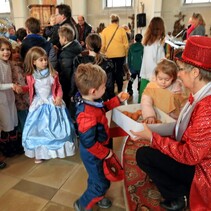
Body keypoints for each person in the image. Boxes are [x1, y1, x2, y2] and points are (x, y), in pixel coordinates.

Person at [130, 36, 211, 211]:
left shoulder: (207, 107)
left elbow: (190, 155)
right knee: (150, 152)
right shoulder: (200, 93)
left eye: (181, 69)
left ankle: (181, 194)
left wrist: (152, 137)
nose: (179, 74)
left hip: (202, 171)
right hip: (197, 158)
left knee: (144, 155)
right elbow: (181, 127)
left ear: (195, 72)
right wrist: (154, 130)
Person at [73, 63, 128, 211]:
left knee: (97, 176)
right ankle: (83, 204)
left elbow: (103, 107)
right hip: (94, 153)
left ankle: (99, 196)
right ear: (93, 90)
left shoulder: (91, 100)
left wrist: (117, 100)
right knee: (101, 182)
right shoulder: (86, 114)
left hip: (100, 147)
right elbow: (89, 143)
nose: (106, 88)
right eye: (104, 86)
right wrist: (106, 153)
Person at [21, 47, 77, 164]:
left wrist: (59, 97)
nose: (44, 62)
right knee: (38, 130)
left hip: (52, 102)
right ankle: (39, 153)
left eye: (45, 59)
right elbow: (30, 88)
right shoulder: (30, 76)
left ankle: (55, 151)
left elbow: (58, 87)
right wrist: (21, 88)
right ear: (33, 62)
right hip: (39, 104)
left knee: (55, 128)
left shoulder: (53, 74)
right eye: (41, 60)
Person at [141, 58, 187, 123]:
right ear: (156, 76)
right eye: (160, 79)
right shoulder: (152, 87)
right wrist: (149, 115)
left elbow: (183, 106)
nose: (163, 82)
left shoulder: (177, 89)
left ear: (173, 78)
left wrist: (181, 120)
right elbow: (145, 102)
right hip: (155, 118)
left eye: (167, 79)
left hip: (172, 121)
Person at [0, 37, 20, 158]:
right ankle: (6, 149)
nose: (6, 52)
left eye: (8, 49)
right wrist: (12, 85)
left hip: (9, 97)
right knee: (6, 124)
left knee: (12, 122)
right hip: (1, 99)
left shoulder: (7, 63)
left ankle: (13, 146)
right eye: (2, 50)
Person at [139, 17, 166, 102]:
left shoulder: (156, 43)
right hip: (150, 78)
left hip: (153, 76)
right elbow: (150, 63)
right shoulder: (152, 45)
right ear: (159, 29)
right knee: (146, 103)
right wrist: (156, 78)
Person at [101, 14, 129, 93]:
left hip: (109, 55)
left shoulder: (105, 30)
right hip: (120, 54)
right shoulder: (122, 30)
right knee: (119, 71)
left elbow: (103, 44)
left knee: (110, 72)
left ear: (111, 21)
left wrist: (103, 53)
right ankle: (120, 88)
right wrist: (126, 54)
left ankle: (111, 89)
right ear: (118, 21)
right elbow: (126, 44)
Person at [57, 25, 82, 111]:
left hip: (69, 86)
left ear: (64, 39)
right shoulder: (76, 46)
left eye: (59, 37)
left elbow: (66, 74)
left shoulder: (65, 54)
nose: (59, 39)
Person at [10, 42, 29, 154]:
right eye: (14, 52)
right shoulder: (11, 66)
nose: (16, 54)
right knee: (22, 120)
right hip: (18, 97)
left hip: (25, 95)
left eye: (18, 52)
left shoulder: (21, 64)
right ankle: (24, 142)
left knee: (25, 118)